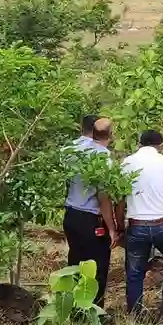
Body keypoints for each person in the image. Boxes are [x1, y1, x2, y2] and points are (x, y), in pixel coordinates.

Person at [120, 129, 163, 318]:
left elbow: (120, 199)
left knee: (134, 271)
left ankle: (135, 315)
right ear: (161, 145)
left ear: (139, 143)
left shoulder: (126, 163)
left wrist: (119, 225)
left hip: (137, 224)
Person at [64, 116, 119, 306]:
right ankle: (92, 310)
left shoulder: (68, 150)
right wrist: (112, 227)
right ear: (110, 135)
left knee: (75, 263)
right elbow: (103, 198)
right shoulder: (103, 158)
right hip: (91, 220)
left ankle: (72, 307)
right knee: (97, 267)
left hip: (71, 214)